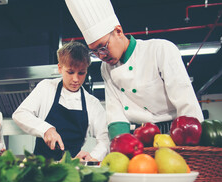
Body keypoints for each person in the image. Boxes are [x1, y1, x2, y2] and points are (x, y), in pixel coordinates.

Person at [65, 0, 204, 139]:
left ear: (118, 31)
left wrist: (193, 141)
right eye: (94, 52)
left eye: (103, 47)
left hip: (175, 132)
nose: (101, 55)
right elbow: (115, 112)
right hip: (141, 136)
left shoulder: (160, 50)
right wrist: (119, 145)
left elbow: (185, 101)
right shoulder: (106, 68)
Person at [12, 41, 109, 161]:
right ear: (60, 68)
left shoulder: (92, 103)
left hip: (71, 169)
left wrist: (91, 157)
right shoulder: (46, 87)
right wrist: (46, 129)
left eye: (81, 73)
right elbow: (20, 114)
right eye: (70, 72)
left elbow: (105, 138)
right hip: (40, 167)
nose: (75, 79)